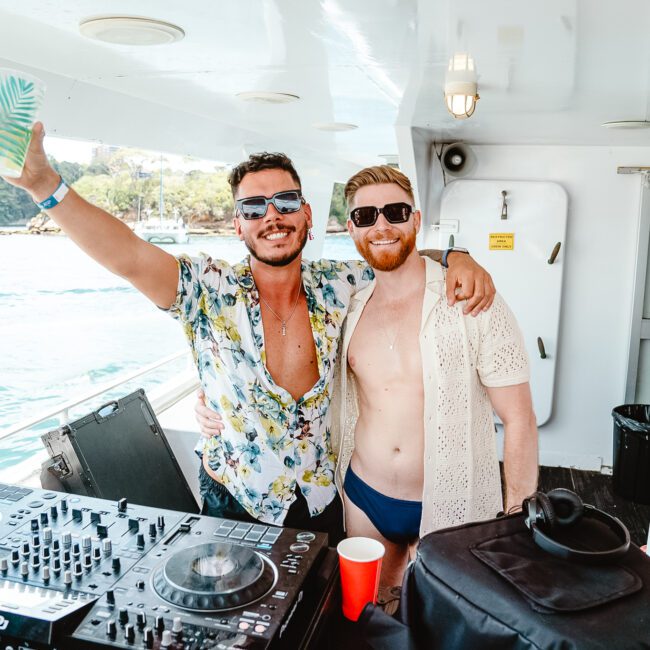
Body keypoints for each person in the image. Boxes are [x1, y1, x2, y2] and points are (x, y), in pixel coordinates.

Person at [2, 124, 495, 544]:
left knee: (317, 617)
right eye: (254, 207)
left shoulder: (343, 284)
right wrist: (47, 186)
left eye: (284, 202)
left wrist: (457, 255)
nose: (271, 216)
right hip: (235, 498)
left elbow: (397, 258)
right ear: (238, 224)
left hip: (325, 494)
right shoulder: (205, 290)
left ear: (305, 214)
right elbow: (127, 254)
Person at [330, 165, 538, 587]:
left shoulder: (471, 301)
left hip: (453, 501)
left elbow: (519, 419)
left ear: (417, 220)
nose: (382, 225)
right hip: (364, 496)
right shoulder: (347, 305)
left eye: (396, 211)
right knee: (372, 617)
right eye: (367, 216)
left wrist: (517, 519)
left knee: (446, 624)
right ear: (352, 228)